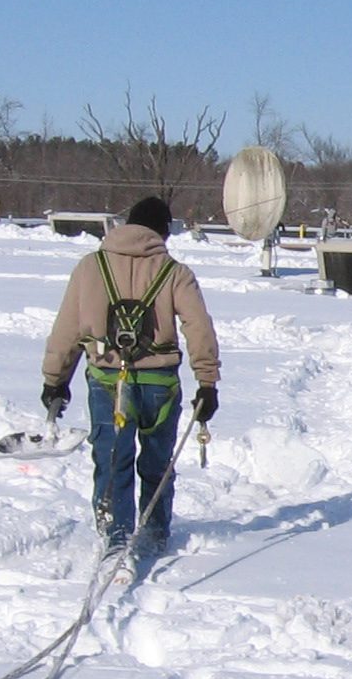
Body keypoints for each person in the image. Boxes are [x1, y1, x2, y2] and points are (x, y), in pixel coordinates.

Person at [41, 195, 220, 558]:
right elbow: (198, 328)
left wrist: (55, 380)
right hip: (160, 385)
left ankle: (114, 534)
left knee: (111, 459)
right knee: (157, 463)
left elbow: (67, 329)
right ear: (163, 231)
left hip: (108, 382)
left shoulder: (90, 267)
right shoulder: (175, 273)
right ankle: (154, 535)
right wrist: (207, 383)